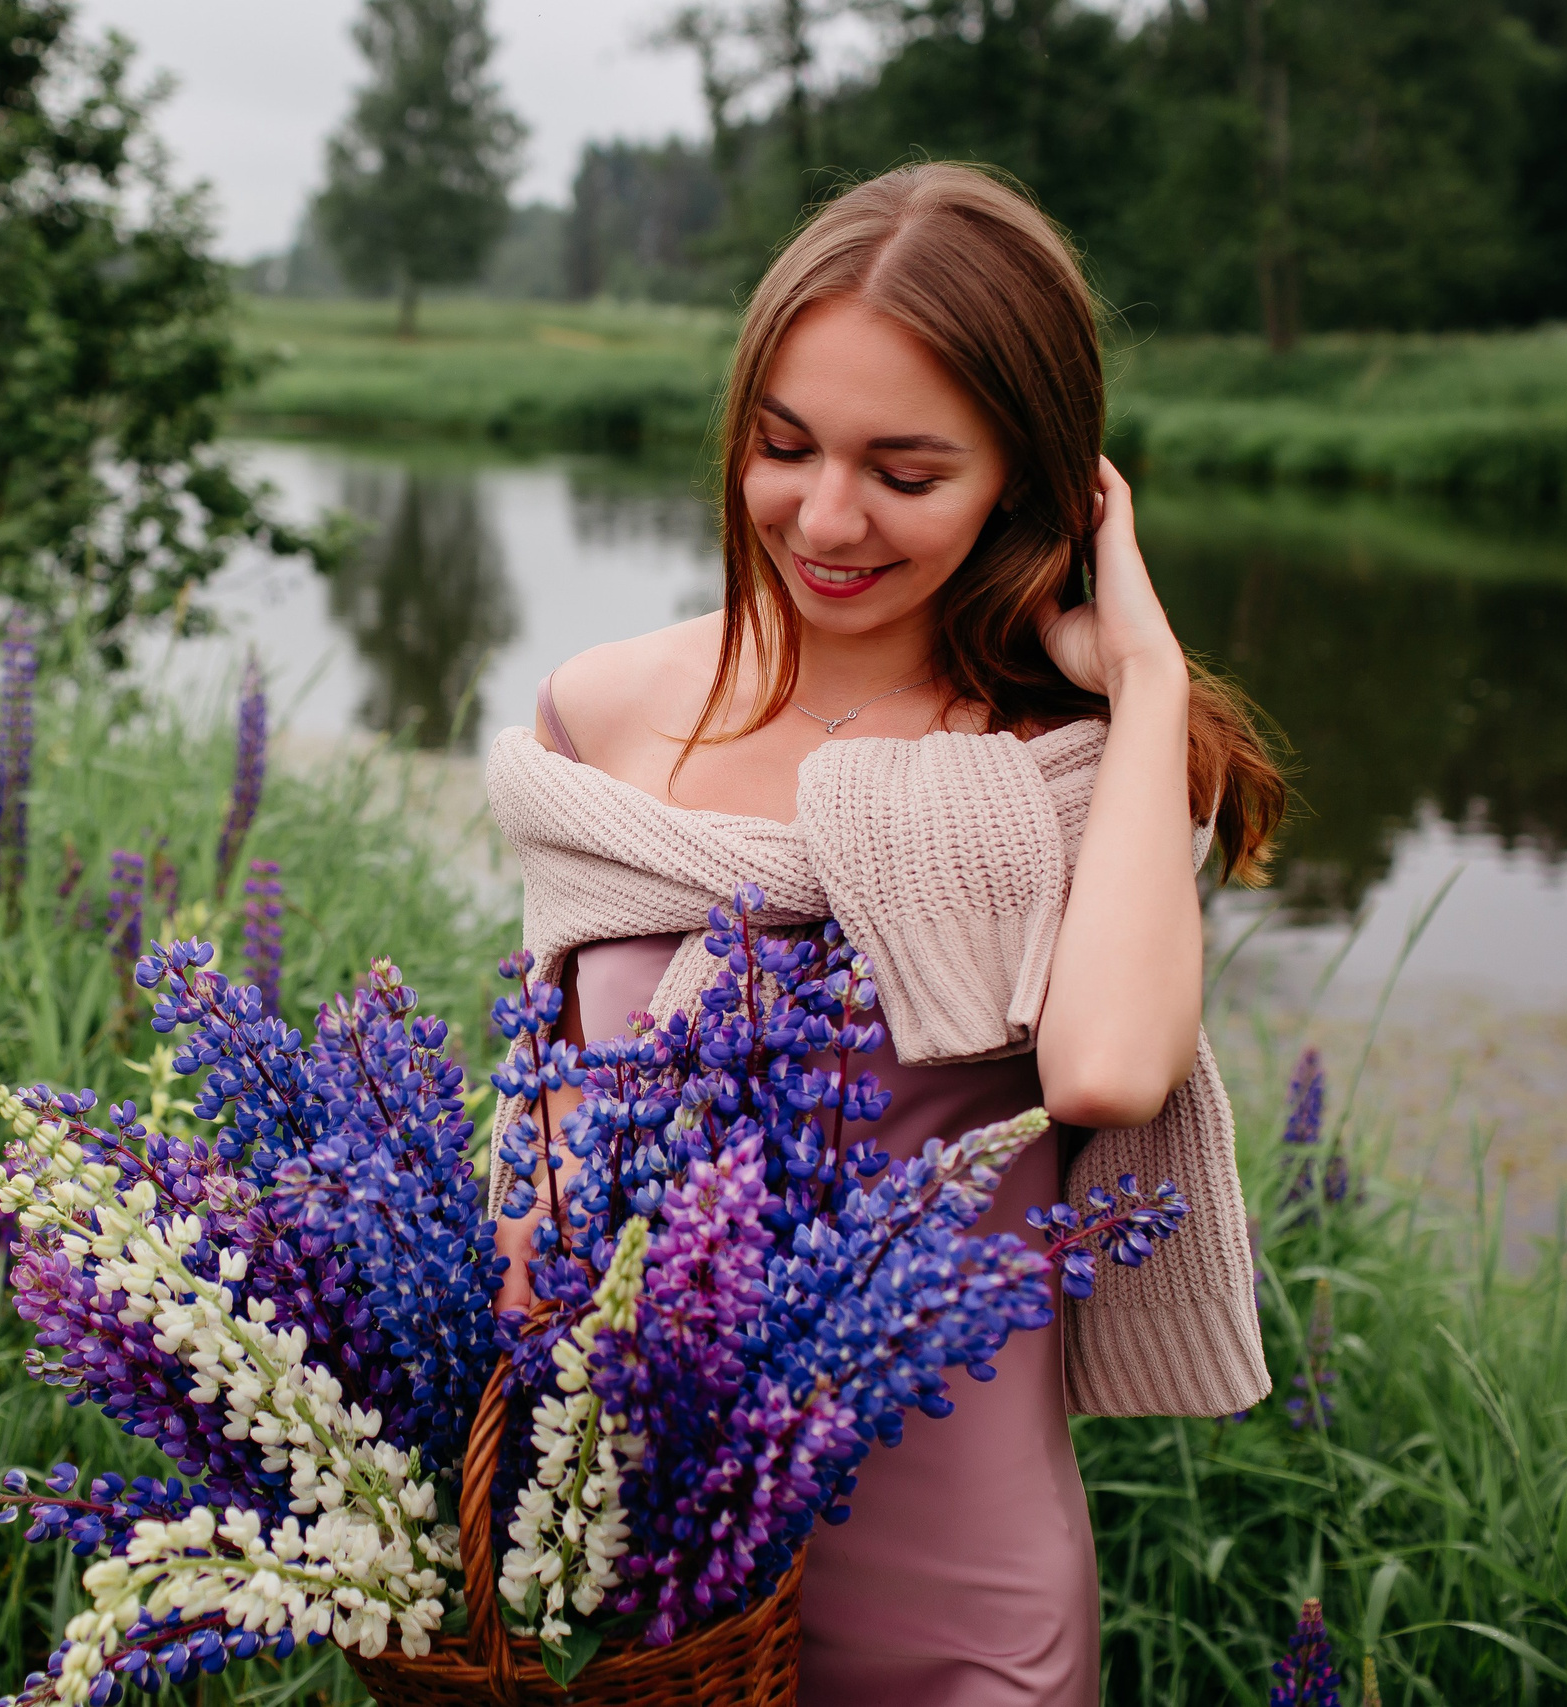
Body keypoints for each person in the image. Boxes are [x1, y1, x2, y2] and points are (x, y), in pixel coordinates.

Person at [484, 163, 1286, 1705]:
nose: (826, 516)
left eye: (907, 473)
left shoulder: (1072, 764)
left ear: (1030, 485)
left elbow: (1110, 1071)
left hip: (955, 1594)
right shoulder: (601, 714)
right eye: (784, 448)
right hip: (637, 1563)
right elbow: (551, 1111)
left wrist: (1150, 682)